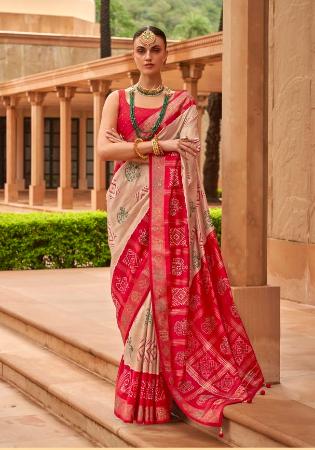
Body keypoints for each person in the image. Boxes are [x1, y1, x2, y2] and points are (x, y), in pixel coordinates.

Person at [96, 25, 267, 438]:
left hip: (169, 221)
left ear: (167, 54)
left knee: (160, 301)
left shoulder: (183, 103)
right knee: (134, 303)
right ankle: (144, 393)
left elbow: (188, 156)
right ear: (132, 56)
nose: (148, 55)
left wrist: (134, 146)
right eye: (141, 49)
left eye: (155, 49)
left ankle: (158, 397)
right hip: (128, 212)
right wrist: (160, 146)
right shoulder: (117, 99)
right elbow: (104, 149)